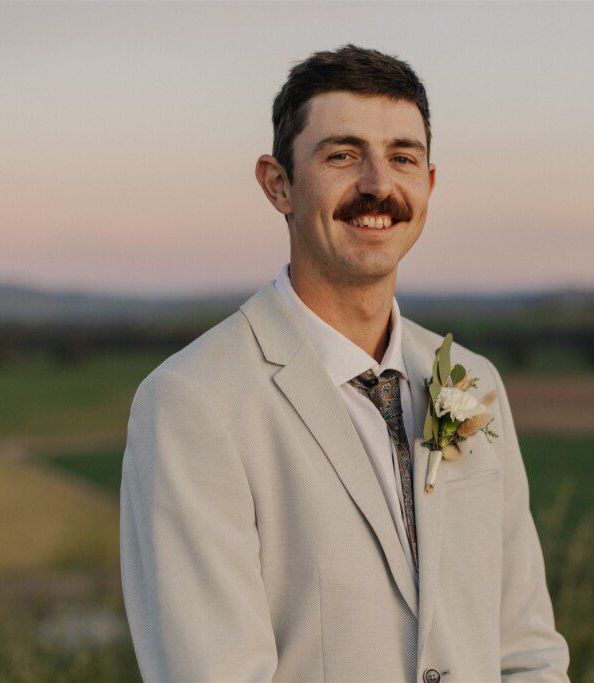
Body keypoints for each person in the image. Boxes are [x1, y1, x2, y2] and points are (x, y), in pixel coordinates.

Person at [119, 44, 570, 682]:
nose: (378, 185)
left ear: (429, 185)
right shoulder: (192, 402)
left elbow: (528, 652)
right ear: (279, 184)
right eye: (342, 155)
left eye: (403, 158)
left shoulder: (474, 383)